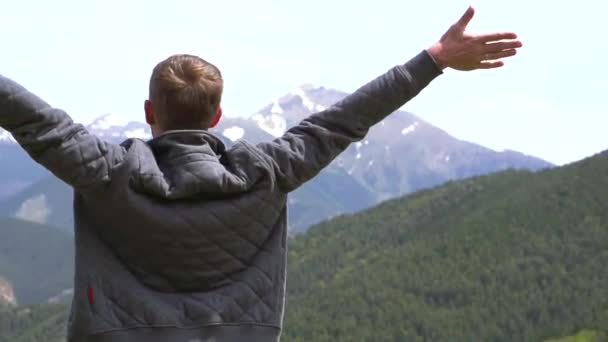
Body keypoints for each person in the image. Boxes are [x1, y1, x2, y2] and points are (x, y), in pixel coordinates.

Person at [0, 6, 521, 342]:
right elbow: (347, 120)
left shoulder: (108, 173)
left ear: (150, 112)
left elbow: (34, 120)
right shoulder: (267, 173)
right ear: (218, 117)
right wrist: (434, 59)